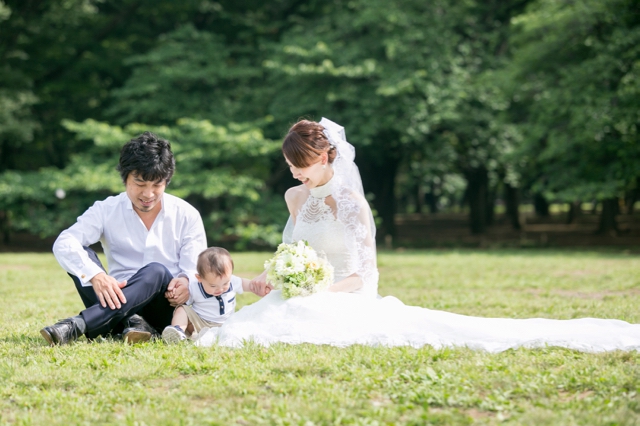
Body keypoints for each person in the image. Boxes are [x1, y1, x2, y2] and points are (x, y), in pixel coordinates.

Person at [196, 118, 640, 352]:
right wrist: (280, 277)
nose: (295, 173)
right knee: (246, 330)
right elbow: (291, 251)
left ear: (326, 157)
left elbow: (365, 275)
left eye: (302, 165)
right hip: (302, 294)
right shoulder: (295, 198)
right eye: (290, 166)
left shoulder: (353, 204)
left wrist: (320, 291)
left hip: (342, 296)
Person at [41, 131, 208, 345]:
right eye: (140, 184)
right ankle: (134, 323)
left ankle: (79, 325)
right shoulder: (106, 209)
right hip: (113, 297)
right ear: (125, 178)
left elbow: (195, 271)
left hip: (165, 308)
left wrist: (186, 283)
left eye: (157, 185)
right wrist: (96, 276)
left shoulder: (186, 214)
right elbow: (64, 243)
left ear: (166, 182)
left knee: (156, 271)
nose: (148, 194)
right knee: (82, 256)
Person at [161, 246, 265, 343]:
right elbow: (182, 300)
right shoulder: (195, 287)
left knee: (244, 323)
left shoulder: (233, 281)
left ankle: (213, 335)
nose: (220, 289)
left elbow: (246, 284)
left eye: (225, 283)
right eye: (213, 286)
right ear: (200, 278)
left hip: (226, 324)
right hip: (200, 323)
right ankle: (178, 331)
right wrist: (172, 294)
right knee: (182, 309)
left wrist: (256, 287)